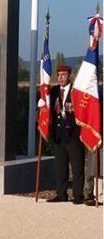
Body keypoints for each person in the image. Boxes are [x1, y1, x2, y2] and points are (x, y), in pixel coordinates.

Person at [47, 64, 85, 204]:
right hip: (59, 135)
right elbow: (48, 107)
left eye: (63, 75)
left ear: (69, 76)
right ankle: (61, 194)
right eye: (59, 75)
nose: (60, 78)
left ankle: (78, 195)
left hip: (73, 134)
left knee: (77, 166)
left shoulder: (76, 91)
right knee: (60, 166)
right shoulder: (54, 91)